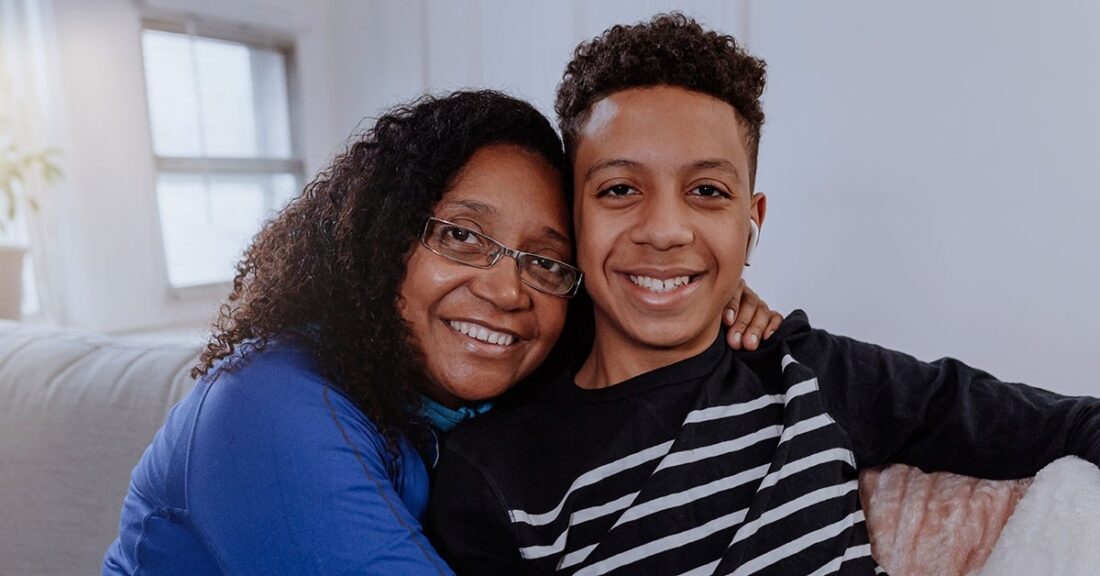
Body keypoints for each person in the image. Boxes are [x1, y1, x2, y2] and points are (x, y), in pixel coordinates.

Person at [427, 14, 1100, 576]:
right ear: (572, 223)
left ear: (752, 225)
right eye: (620, 189)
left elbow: (1057, 424)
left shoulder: (801, 367)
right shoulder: (493, 474)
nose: (664, 230)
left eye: (708, 192)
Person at [101, 91, 779, 575]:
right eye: (460, 236)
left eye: (546, 262)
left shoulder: (482, 409)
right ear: (380, 237)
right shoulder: (263, 405)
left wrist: (694, 301)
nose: (508, 290)